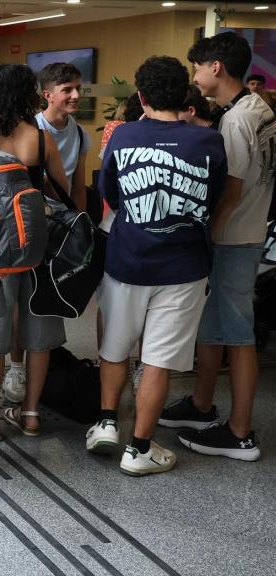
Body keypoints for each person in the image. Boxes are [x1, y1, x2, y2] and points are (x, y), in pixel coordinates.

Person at [87, 56, 227, 475]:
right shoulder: (209, 141)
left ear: (142, 96)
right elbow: (214, 195)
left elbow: (108, 190)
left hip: (127, 257)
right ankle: (141, 449)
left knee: (114, 347)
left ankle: (107, 423)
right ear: (186, 95)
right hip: (184, 265)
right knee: (158, 359)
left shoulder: (124, 136)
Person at [157, 32, 275, 462]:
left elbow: (230, 190)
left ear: (216, 68)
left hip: (233, 238)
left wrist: (207, 238)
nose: (195, 76)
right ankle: (201, 404)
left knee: (238, 335)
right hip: (249, 231)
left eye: (197, 67)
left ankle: (241, 432)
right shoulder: (257, 109)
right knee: (215, 326)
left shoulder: (237, 120)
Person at [0, 64, 71, 441]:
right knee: (38, 325)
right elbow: (63, 194)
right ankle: (30, 414)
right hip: (36, 245)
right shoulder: (40, 140)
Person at [36, 63, 89, 212]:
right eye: (67, 90)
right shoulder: (31, 130)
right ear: (48, 95)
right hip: (37, 215)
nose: (76, 95)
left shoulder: (80, 133)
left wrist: (81, 224)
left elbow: (78, 189)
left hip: (67, 214)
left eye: (78, 88)